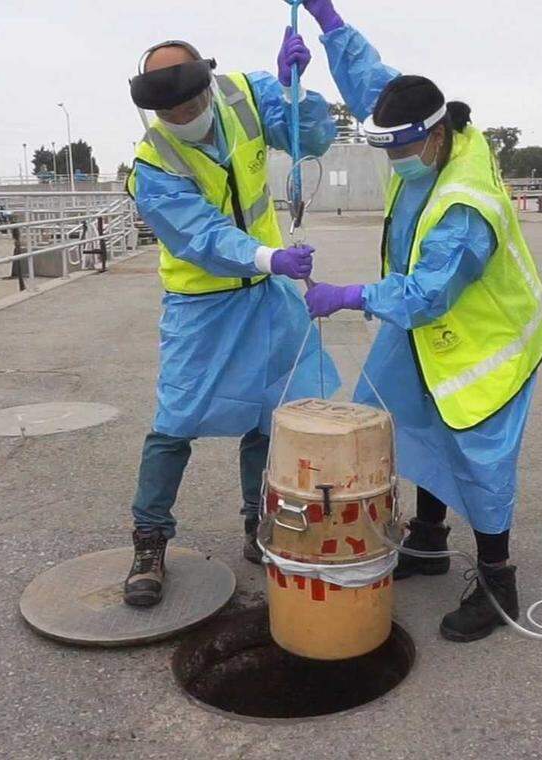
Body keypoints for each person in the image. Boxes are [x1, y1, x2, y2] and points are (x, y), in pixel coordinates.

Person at [299, 0, 542, 642]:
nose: (395, 161)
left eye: (403, 149)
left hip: (485, 339)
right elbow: (370, 80)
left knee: (475, 452)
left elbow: (425, 295)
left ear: (434, 138)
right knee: (402, 416)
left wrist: (349, 295)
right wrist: (328, 20)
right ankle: (429, 538)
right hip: (426, 332)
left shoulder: (467, 204)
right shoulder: (424, 121)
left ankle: (497, 584)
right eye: (387, 148)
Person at [122, 33, 337, 607]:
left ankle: (256, 525)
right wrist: (270, 256)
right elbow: (200, 237)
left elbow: (314, 138)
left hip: (266, 296)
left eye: (189, 105)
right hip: (202, 303)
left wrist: (295, 91)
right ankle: (149, 540)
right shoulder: (153, 163)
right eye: (167, 112)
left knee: (271, 413)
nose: (182, 118)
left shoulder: (243, 95)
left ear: (204, 84)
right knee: (174, 421)